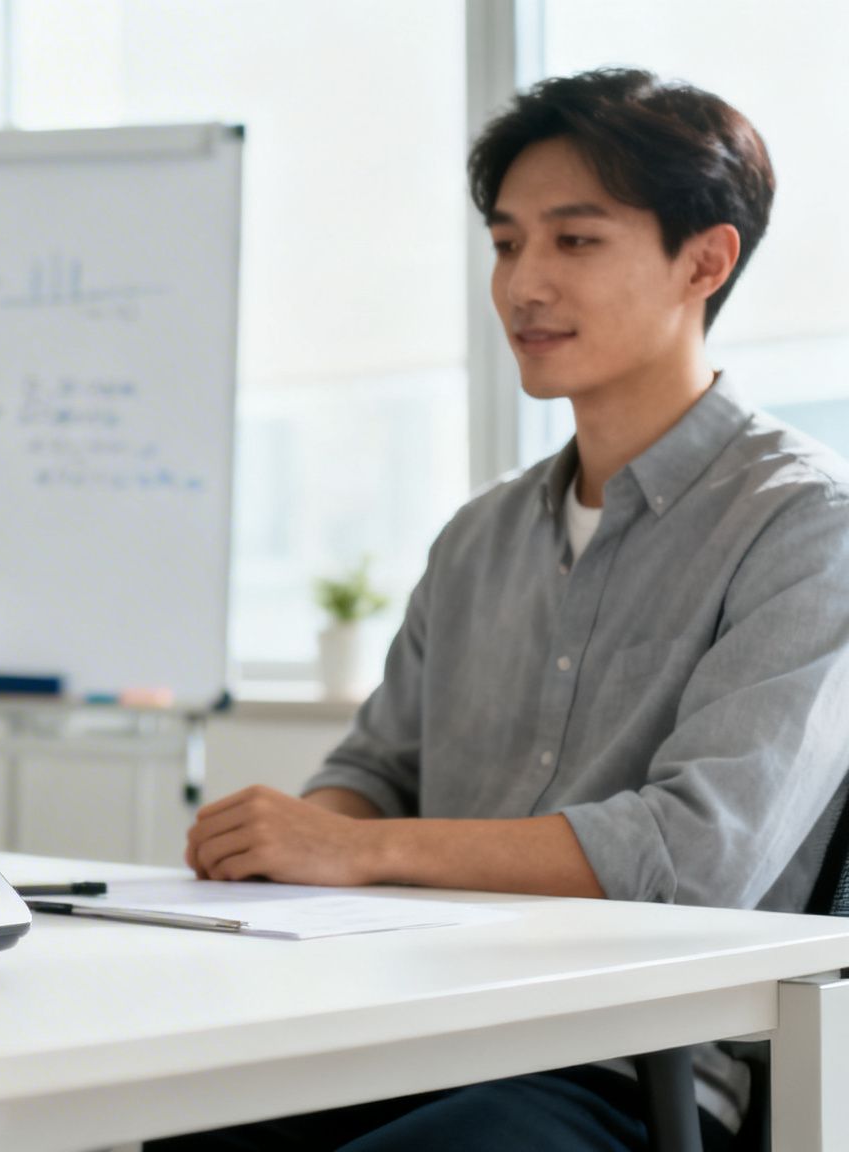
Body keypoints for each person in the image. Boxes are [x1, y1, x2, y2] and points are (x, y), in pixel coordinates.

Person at [159, 68, 849, 1151]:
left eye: (573, 242)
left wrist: (365, 855)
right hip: (411, 1027)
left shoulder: (808, 526)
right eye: (503, 243)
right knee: (161, 1121)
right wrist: (290, 838)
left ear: (702, 261)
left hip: (627, 1070)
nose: (522, 284)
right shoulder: (477, 538)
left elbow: (692, 855)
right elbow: (375, 773)